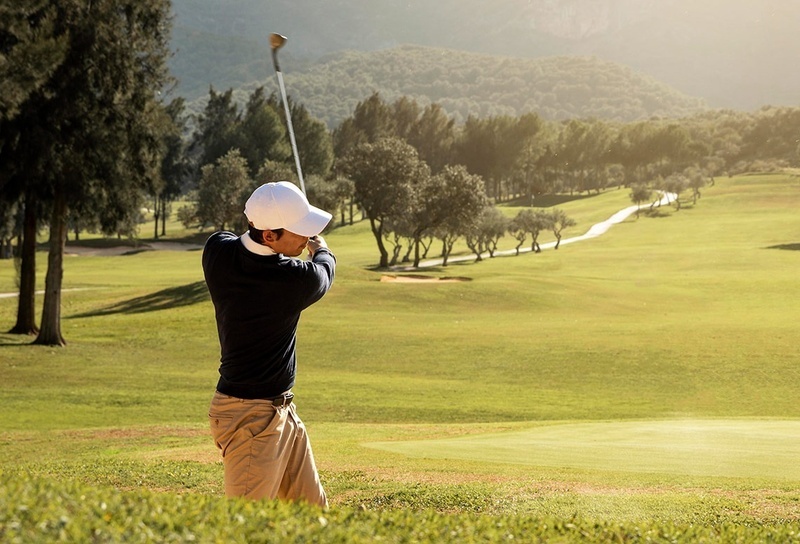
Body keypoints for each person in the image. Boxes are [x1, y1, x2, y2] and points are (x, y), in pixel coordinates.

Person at [202, 181, 335, 506]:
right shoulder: (294, 280)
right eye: (298, 230)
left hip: (280, 411)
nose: (305, 237)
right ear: (270, 235)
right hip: (249, 418)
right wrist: (321, 249)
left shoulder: (216, 252)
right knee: (247, 527)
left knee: (312, 515)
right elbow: (325, 271)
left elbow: (237, 241)